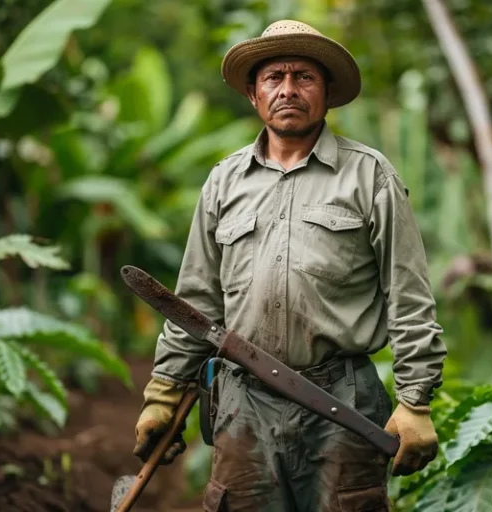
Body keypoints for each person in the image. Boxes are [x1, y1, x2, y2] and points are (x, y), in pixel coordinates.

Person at [132, 20, 447, 512]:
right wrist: (164, 391)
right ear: (254, 94)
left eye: (303, 77)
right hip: (244, 401)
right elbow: (195, 299)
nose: (288, 89)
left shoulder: (370, 176)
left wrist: (416, 401)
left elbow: (407, 295)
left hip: (343, 399)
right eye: (274, 77)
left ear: (326, 92)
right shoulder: (223, 182)